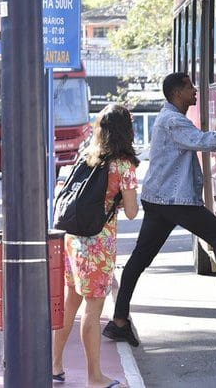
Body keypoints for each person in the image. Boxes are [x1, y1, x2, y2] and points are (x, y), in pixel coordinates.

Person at [102, 72, 216, 348]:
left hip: (161, 200)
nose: (195, 91)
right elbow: (205, 142)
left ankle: (119, 321)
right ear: (176, 93)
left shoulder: (171, 118)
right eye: (190, 87)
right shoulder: (172, 121)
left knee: (139, 259)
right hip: (173, 201)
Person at [53, 104, 140, 388]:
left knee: (71, 301)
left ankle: (54, 365)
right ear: (126, 130)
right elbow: (130, 211)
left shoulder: (86, 155)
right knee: (92, 311)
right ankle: (95, 378)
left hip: (73, 238)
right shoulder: (124, 165)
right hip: (98, 246)